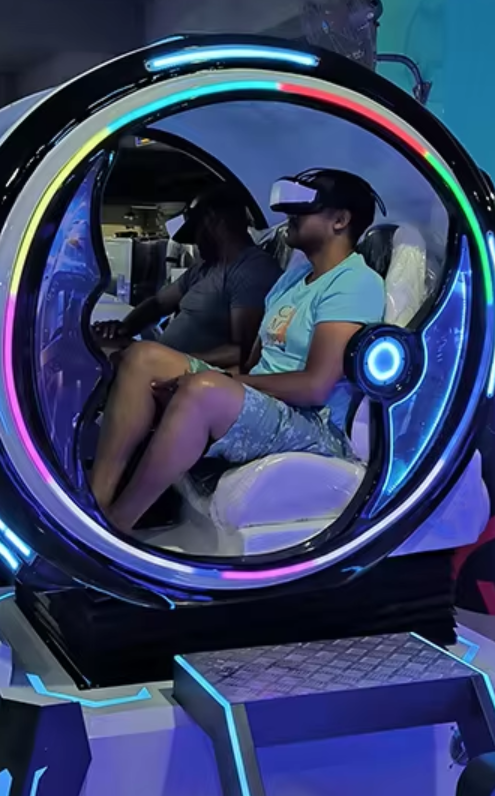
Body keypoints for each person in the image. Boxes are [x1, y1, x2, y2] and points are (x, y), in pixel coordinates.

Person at [90, 168, 387, 532]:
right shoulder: (294, 279)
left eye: (302, 210)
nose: (289, 217)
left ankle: (116, 527)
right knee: (142, 358)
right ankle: (95, 504)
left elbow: (315, 386)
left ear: (340, 220)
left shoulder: (355, 282)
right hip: (268, 402)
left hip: (314, 423)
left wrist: (222, 382)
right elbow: (255, 362)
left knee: (203, 390)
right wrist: (224, 379)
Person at [93, 185, 282, 369]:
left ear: (213, 221)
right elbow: (158, 304)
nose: (196, 243)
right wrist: (123, 329)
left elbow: (243, 352)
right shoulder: (203, 268)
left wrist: (170, 360)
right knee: (95, 340)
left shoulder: (253, 269)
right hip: (162, 362)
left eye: (196, 233)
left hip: (187, 373)